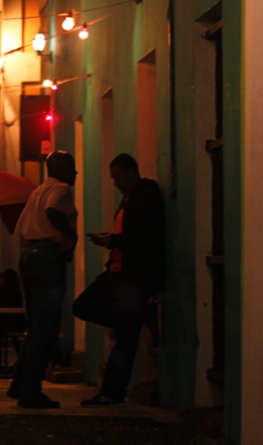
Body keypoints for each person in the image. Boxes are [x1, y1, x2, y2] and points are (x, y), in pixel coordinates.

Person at [74, 153, 165, 407]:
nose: (115, 182)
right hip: (117, 272)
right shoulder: (128, 199)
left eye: (117, 177)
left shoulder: (145, 197)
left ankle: (112, 392)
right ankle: (137, 318)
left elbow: (148, 239)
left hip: (134, 276)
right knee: (82, 306)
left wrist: (113, 240)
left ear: (130, 171)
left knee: (125, 338)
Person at [7, 151, 78, 409]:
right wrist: (72, 236)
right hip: (47, 257)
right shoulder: (60, 189)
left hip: (29, 254)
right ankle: (29, 390)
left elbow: (22, 229)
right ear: (60, 168)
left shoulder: (36, 192)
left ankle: (19, 383)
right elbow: (53, 212)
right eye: (72, 167)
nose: (76, 173)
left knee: (35, 325)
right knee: (46, 325)